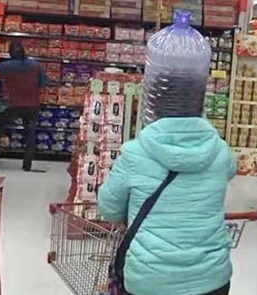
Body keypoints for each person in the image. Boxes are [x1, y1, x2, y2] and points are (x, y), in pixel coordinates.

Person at [97, 79, 237, 294]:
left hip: (149, 277)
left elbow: (110, 210)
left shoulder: (135, 153)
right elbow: (228, 173)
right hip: (211, 276)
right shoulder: (221, 151)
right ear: (201, 107)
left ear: (154, 106)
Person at [0, 40, 48, 171]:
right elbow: (43, 82)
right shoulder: (36, 65)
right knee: (30, 133)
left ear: (10, 52)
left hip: (15, 105)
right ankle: (27, 164)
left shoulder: (7, 66)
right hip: (33, 105)